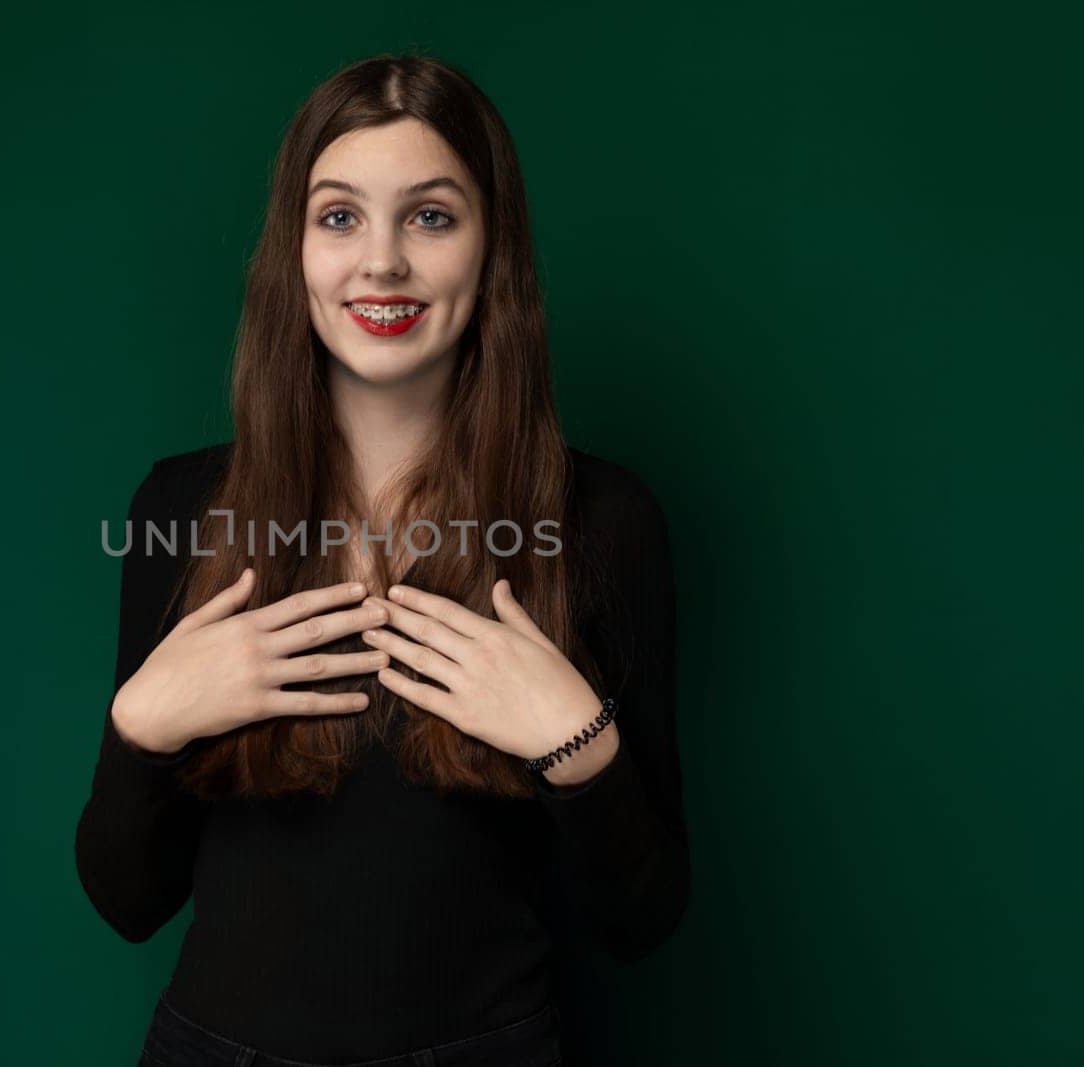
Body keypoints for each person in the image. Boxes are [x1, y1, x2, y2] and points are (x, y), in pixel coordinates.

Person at [75, 52, 689, 1067]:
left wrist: (579, 747)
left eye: (430, 216)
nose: (381, 263)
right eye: (340, 216)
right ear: (295, 250)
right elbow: (127, 900)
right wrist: (141, 727)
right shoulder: (181, 509)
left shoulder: (602, 519)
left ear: (491, 249)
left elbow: (643, 918)